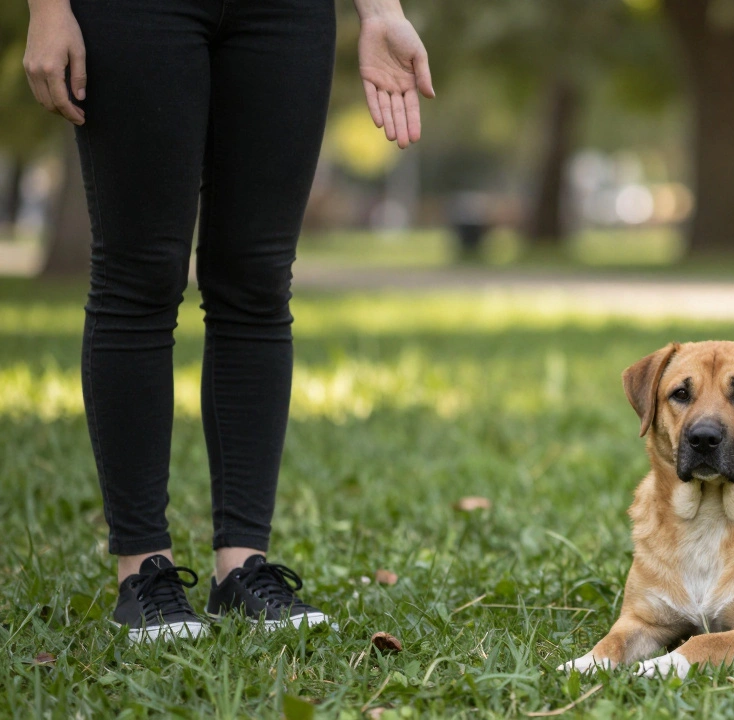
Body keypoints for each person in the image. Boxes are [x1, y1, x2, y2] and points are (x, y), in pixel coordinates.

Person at [23, 0, 434, 642]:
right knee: (141, 276)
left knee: (258, 280)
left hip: (285, 15)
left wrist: (380, 12)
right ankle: (143, 572)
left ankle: (241, 569)